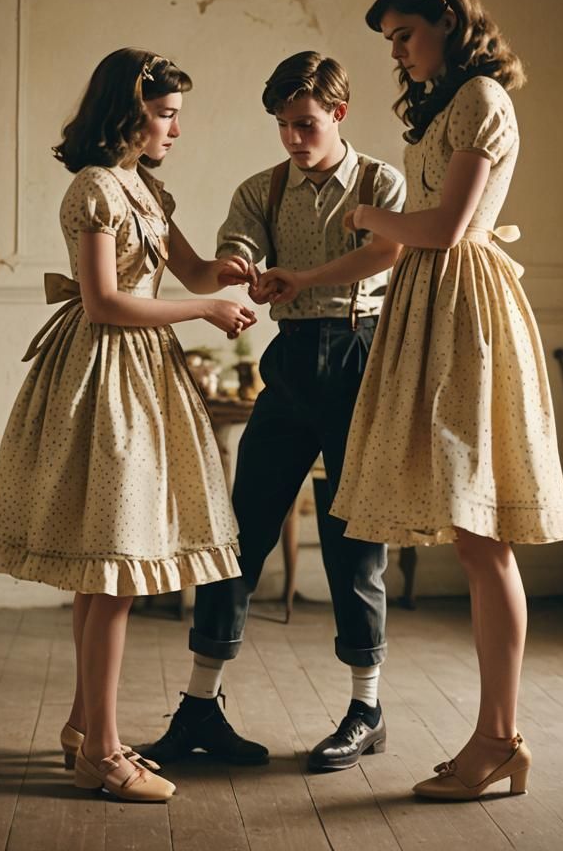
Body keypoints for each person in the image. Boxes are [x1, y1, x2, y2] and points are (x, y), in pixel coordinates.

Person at [262, 0, 563, 800]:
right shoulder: (451, 102)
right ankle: (493, 737)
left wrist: (370, 218)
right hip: (432, 308)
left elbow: (447, 227)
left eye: (403, 34)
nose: (397, 53)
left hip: (464, 309)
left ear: (446, 17)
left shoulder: (480, 99)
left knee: (484, 535)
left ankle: (499, 737)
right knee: (476, 539)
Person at [0, 48, 258, 802]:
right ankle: (101, 754)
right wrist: (203, 310)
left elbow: (195, 272)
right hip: (105, 377)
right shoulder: (95, 187)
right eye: (165, 115)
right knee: (114, 572)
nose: (174, 129)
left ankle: (83, 727)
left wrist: (238, 268)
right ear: (128, 112)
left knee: (112, 573)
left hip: (143, 377)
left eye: (176, 117)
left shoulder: (143, 187)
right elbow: (103, 302)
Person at [141, 51, 406, 772]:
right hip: (290, 362)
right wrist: (235, 267)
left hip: (361, 356)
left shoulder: (381, 180)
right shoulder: (262, 187)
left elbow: (386, 252)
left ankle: (365, 708)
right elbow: (238, 245)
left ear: (339, 115)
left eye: (306, 124)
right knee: (239, 533)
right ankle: (201, 705)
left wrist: (306, 277)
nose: (292, 138)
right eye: (283, 126)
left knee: (354, 541)